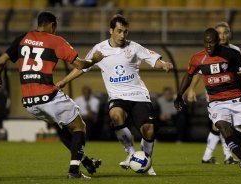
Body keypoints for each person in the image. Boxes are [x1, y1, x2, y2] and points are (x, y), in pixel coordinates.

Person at [56, 14, 173, 175]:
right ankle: (131, 154)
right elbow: (82, 67)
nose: (122, 35)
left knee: (149, 130)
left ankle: (145, 161)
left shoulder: (134, 47)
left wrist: (164, 64)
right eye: (119, 31)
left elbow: (152, 59)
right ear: (111, 30)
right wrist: (64, 81)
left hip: (139, 95)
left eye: (125, 32)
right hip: (118, 97)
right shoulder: (100, 49)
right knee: (116, 115)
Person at [0, 11, 104, 179]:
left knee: (62, 129)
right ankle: (74, 171)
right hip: (48, 97)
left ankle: (85, 161)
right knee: (79, 126)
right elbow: (80, 64)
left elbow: (1, 61)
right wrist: (94, 59)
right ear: (53, 25)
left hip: (30, 103)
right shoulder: (56, 41)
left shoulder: (22, 38)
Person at [174, 28, 241, 174]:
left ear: (218, 42)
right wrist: (179, 95)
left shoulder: (231, 53)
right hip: (216, 102)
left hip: (237, 99)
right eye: (206, 43)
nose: (208, 46)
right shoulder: (197, 59)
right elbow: (189, 75)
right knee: (222, 127)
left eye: (212, 43)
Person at [187, 22, 241, 165]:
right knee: (223, 124)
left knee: (220, 126)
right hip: (215, 92)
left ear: (229, 34)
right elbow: (198, 71)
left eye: (225, 32)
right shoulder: (208, 52)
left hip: (233, 92)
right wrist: (191, 89)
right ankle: (226, 156)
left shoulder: (235, 50)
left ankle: (209, 156)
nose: (223, 35)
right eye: (220, 33)